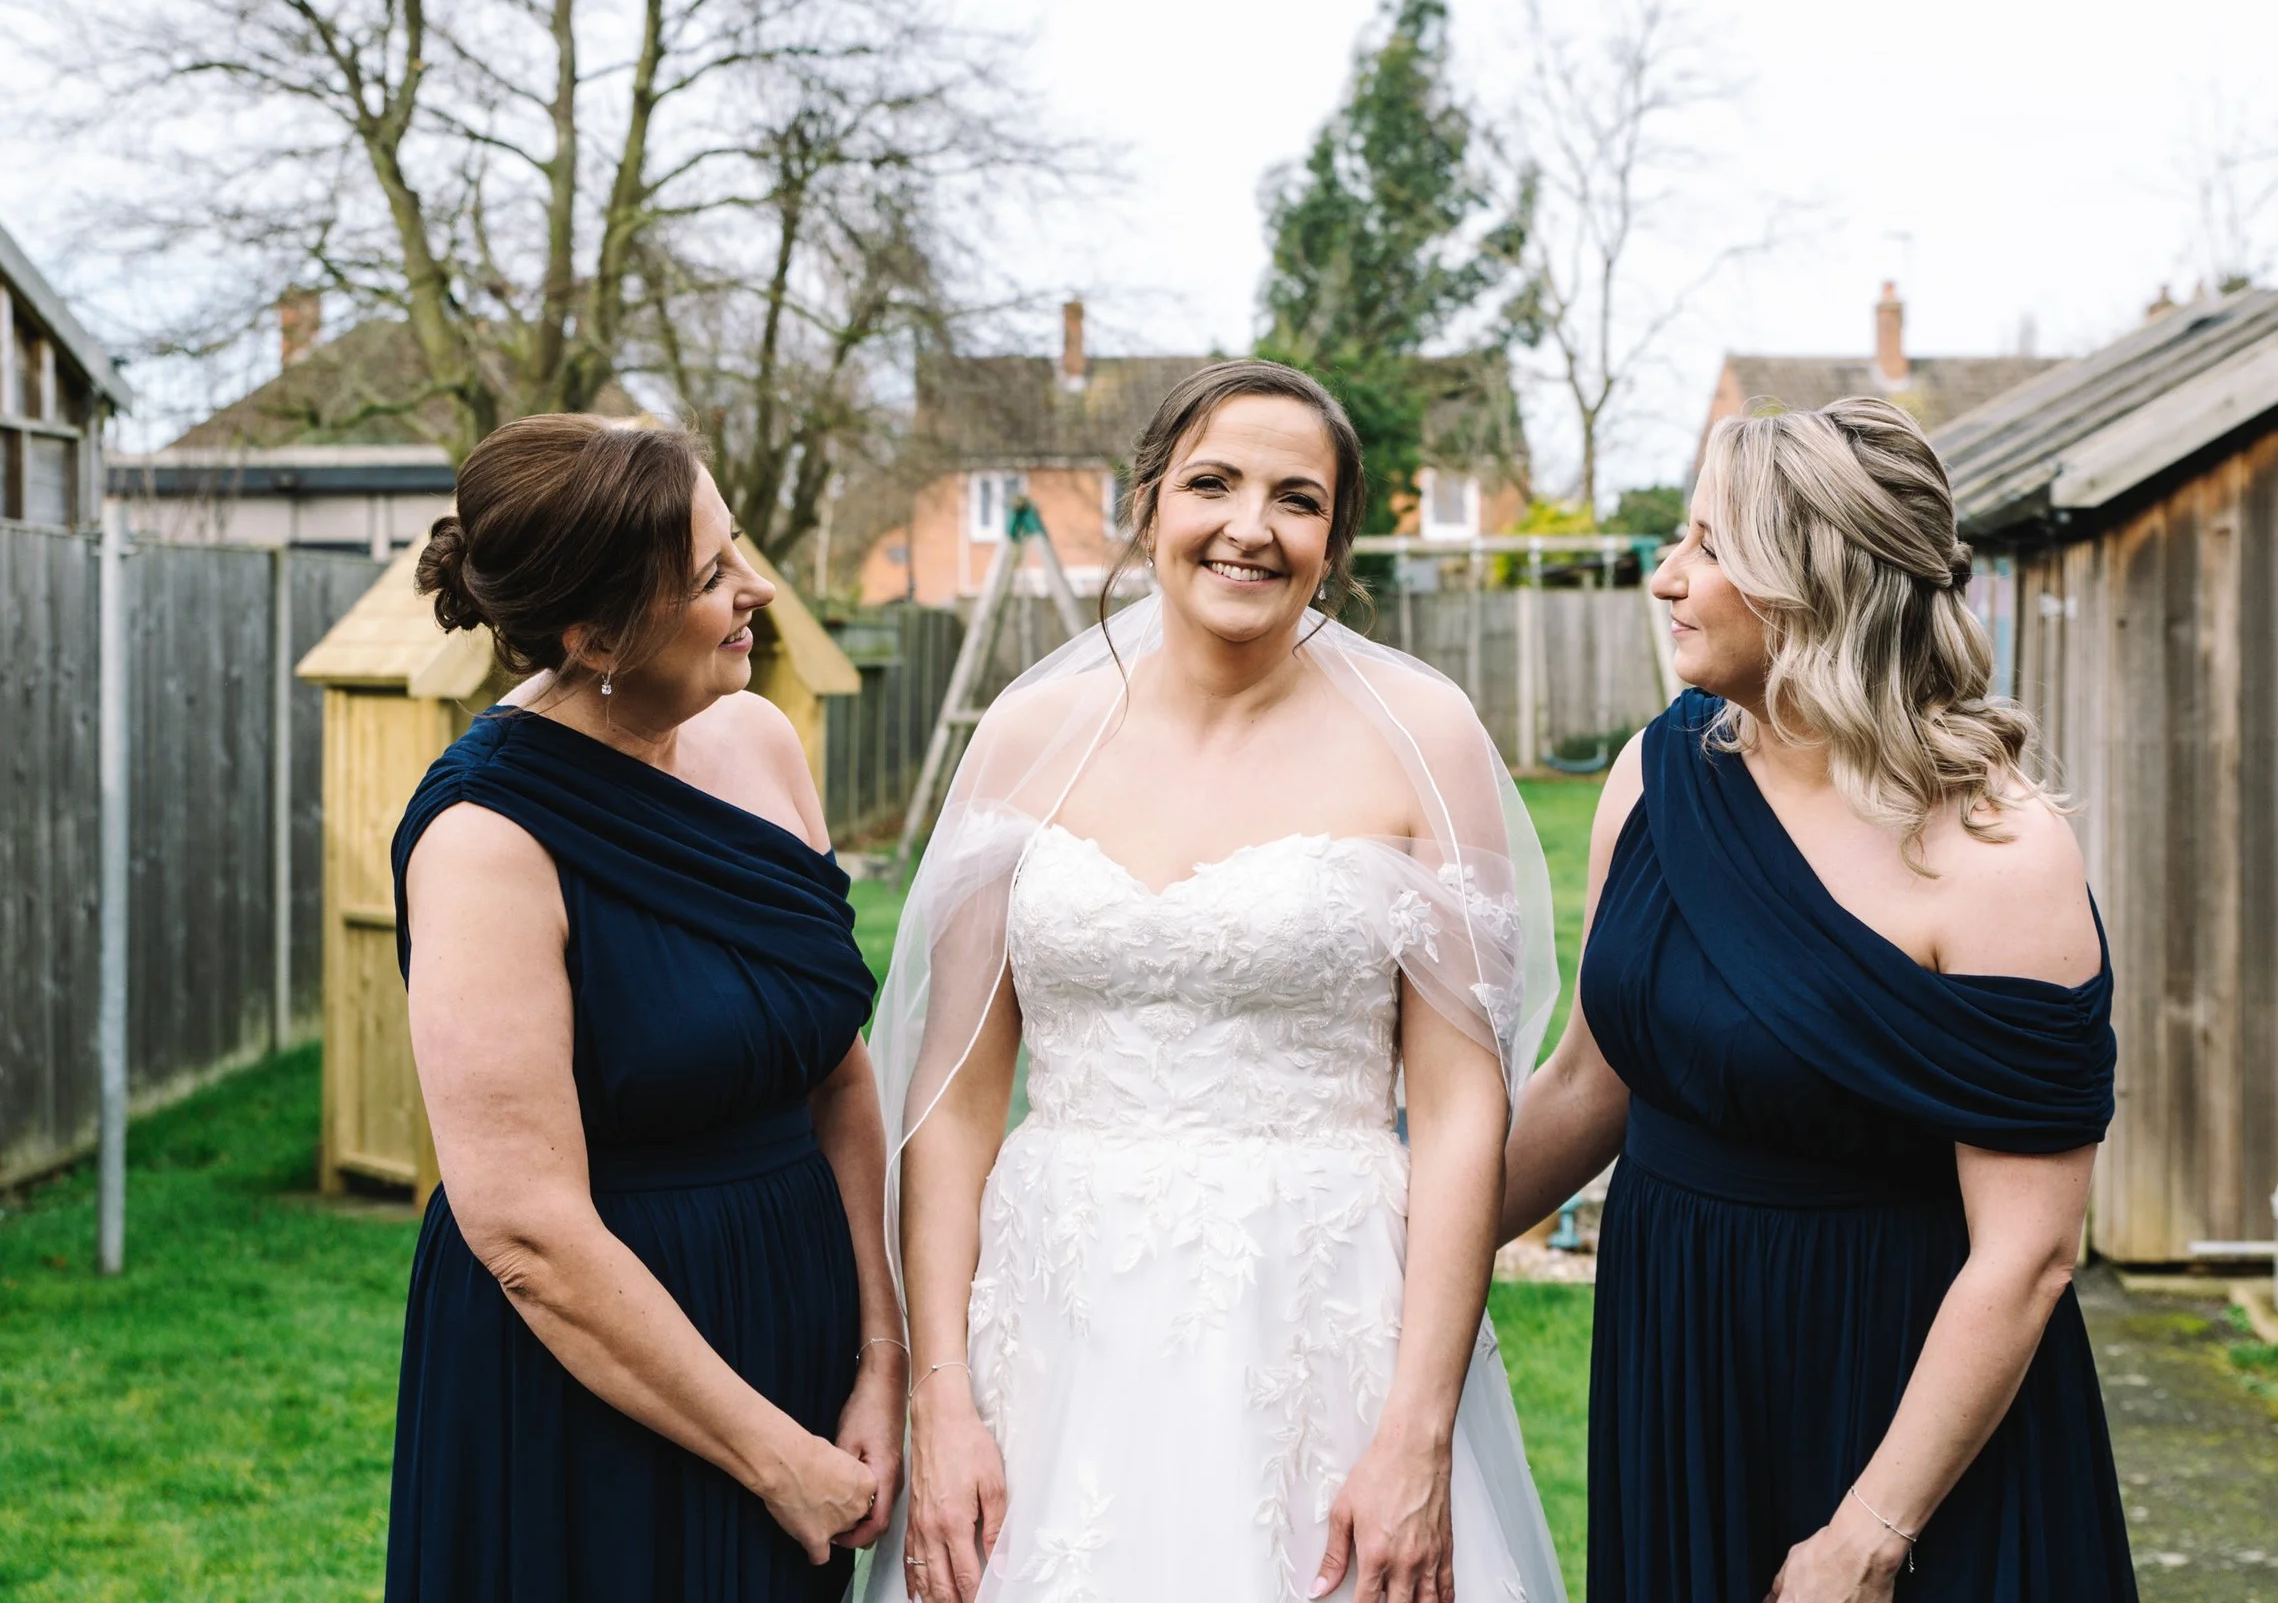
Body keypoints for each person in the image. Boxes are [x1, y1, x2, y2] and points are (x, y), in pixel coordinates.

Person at [865, 361, 1567, 1603]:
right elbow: (954, 1098)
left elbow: (1463, 1109)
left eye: (1297, 499)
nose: (1251, 526)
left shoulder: (1425, 736)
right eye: (1212, 484)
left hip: (1319, 1321)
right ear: (1146, 507)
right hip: (1055, 1323)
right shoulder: (1023, 739)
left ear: (1334, 541)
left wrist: (1415, 1427)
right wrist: (943, 1397)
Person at [1501, 397, 2135, 1602]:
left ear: (1817, 582)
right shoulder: (1658, 771)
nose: (1666, 577)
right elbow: (1588, 1078)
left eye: (1708, 545)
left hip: (1898, 1391)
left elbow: (2029, 1253)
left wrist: (1868, 1533)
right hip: (1680, 1359)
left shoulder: (1997, 851)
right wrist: (1401, 1262)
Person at [387, 414, 902, 1601]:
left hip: (794, 1322)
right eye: (712, 574)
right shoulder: (484, 839)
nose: (756, 587)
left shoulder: (759, 740)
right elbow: (526, 1231)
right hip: (596, 1383)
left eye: (738, 546)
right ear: (597, 633)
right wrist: (776, 1459)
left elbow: (837, 1070)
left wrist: (881, 1358)